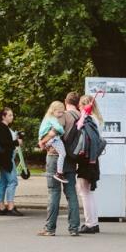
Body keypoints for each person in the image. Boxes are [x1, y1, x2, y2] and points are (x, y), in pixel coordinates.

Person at [37, 100, 81, 237]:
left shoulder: (62, 116)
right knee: (72, 194)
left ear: (66, 102)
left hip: (55, 158)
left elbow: (53, 132)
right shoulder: (79, 116)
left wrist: (42, 141)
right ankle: (74, 228)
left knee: (54, 192)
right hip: (71, 159)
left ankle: (50, 228)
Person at [70, 95, 103, 232]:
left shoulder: (89, 120)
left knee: (84, 191)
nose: (80, 108)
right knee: (89, 192)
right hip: (94, 157)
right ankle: (94, 222)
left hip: (86, 157)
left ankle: (90, 223)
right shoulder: (99, 120)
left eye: (82, 105)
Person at [0, 108, 23, 215]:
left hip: (1, 159)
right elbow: (4, 143)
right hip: (6, 159)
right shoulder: (3, 128)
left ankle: (1, 206)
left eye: (12, 115)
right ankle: (10, 206)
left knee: (3, 182)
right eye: (10, 115)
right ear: (3, 116)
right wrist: (16, 142)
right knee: (12, 181)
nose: (12, 117)